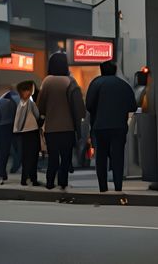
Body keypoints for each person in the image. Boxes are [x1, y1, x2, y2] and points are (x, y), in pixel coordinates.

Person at [35, 51, 84, 190]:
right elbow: (80, 108)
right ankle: (63, 182)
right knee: (66, 157)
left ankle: (50, 182)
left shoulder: (47, 81)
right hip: (68, 128)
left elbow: (40, 107)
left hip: (51, 129)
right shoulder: (71, 82)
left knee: (53, 158)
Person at [85, 59, 136, 192]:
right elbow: (133, 106)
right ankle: (118, 186)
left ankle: (103, 186)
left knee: (101, 157)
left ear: (101, 70)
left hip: (100, 126)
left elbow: (89, 105)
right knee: (118, 156)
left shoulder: (96, 83)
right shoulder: (123, 85)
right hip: (119, 126)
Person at [13, 80, 42, 186]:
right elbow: (37, 115)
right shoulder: (29, 103)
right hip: (32, 131)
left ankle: (25, 178)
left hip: (23, 133)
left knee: (26, 156)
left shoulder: (20, 103)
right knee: (33, 156)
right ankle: (32, 178)